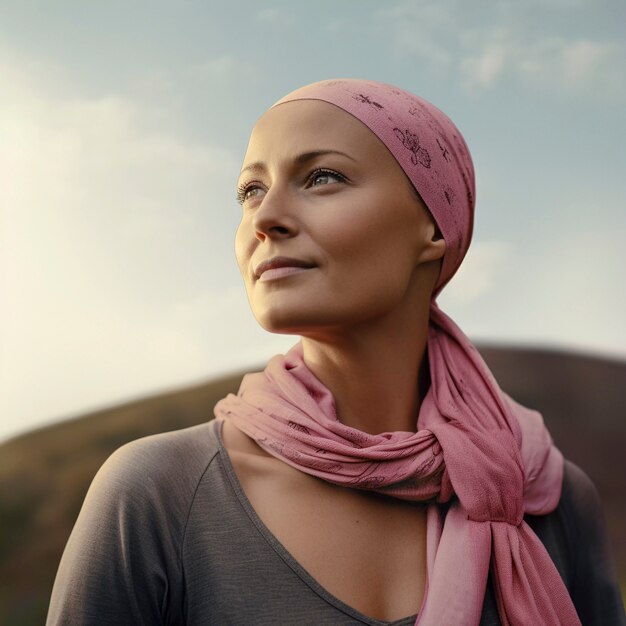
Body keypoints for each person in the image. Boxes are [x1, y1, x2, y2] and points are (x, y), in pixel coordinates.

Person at [46, 79, 625, 625]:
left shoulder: (545, 495)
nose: (265, 218)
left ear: (434, 226)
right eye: (251, 189)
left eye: (322, 177)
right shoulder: (156, 492)